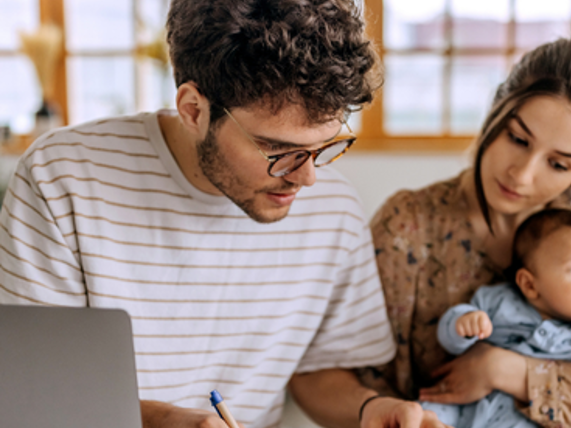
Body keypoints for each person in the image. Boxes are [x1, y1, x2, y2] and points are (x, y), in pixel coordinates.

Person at [0, 1, 446, 428]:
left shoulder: (334, 208)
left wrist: (369, 408)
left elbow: (319, 371)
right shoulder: (64, 177)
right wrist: (162, 422)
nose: (307, 178)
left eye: (324, 146)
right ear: (193, 109)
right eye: (277, 149)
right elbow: (32, 390)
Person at [360, 32, 571, 427]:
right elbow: (349, 378)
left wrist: (505, 370)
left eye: (559, 165)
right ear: (496, 108)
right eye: (517, 138)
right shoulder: (407, 225)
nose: (521, 175)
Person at [421, 208, 571, 428]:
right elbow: (450, 342)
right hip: (467, 406)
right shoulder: (499, 300)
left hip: (527, 417)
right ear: (530, 285)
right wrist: (463, 324)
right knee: (425, 412)